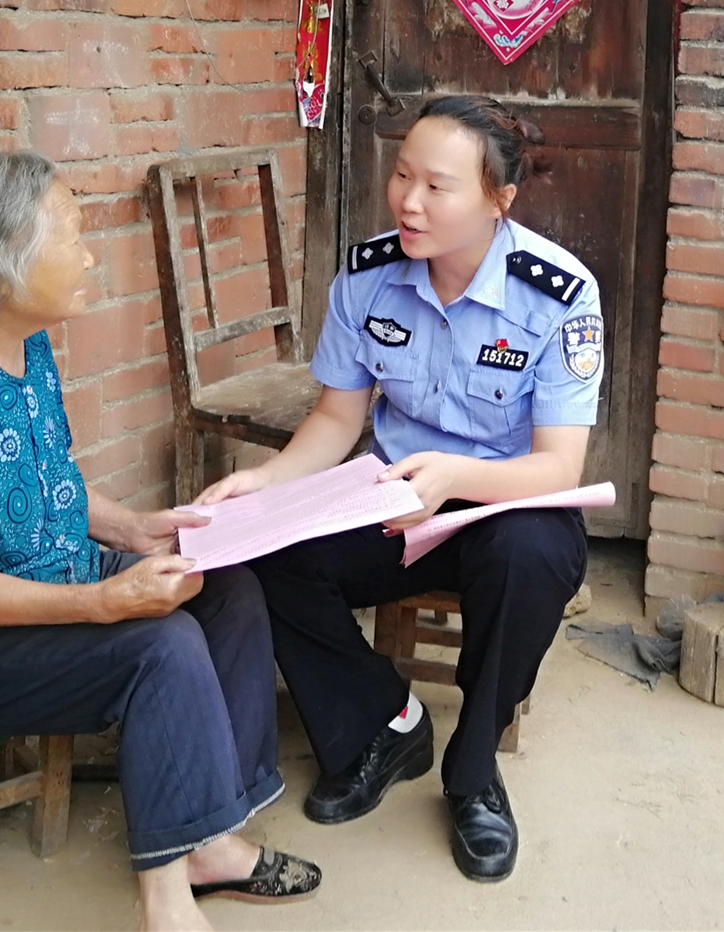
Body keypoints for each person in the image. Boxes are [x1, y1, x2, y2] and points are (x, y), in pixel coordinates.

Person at [0, 151, 320, 931]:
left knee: (224, 588)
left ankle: (214, 836)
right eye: (71, 235)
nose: (90, 254)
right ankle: (165, 901)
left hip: (42, 569)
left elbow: (45, 477)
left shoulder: (22, 340)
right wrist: (104, 601)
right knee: (158, 645)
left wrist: (137, 529)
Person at [196, 95, 602, 883]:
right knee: (266, 553)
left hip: (502, 502)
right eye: (402, 175)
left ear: (497, 199)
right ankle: (385, 723)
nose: (408, 201)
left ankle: (474, 769)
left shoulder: (556, 295)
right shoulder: (370, 277)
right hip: (389, 500)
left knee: (532, 556)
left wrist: (455, 477)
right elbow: (336, 415)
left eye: (437, 186)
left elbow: (557, 467)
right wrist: (266, 482)